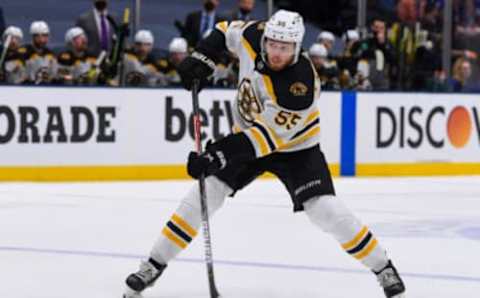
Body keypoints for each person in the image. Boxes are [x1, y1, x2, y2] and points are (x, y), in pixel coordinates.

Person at [122, 10, 406, 298]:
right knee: (204, 194)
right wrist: (203, 57)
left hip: (296, 148)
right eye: (272, 45)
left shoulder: (301, 85)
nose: (276, 53)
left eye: (284, 48)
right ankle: (152, 265)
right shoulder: (253, 35)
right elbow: (223, 29)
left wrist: (216, 155)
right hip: (248, 135)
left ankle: (383, 267)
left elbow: (263, 139)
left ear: (297, 48)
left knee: (325, 211)